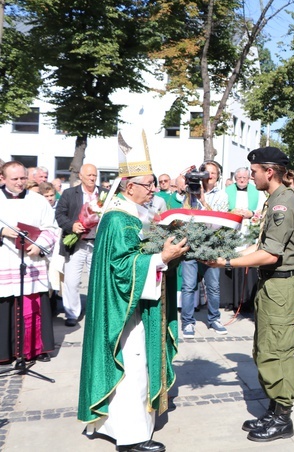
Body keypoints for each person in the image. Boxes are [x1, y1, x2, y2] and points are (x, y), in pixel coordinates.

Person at [78, 152, 188, 452]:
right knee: (133, 367)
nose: (153, 190)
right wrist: (163, 257)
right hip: (123, 309)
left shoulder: (131, 214)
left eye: (154, 184)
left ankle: (110, 424)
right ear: (129, 187)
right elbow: (121, 268)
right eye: (148, 184)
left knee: (135, 367)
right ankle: (131, 437)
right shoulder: (120, 219)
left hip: (130, 302)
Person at [206, 147, 294, 442]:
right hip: (272, 286)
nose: (252, 177)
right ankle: (275, 410)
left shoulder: (282, 205)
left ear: (269, 172)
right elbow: (259, 246)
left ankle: (283, 419)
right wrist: (228, 254)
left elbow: (270, 254)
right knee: (264, 351)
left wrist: (226, 262)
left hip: (282, 286)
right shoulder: (274, 200)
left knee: (276, 353)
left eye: (255, 172)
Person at [0, 161, 58, 364]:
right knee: (5, 306)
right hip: (4, 261)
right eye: (14, 179)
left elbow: (51, 227)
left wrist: (40, 244)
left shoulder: (38, 200)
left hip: (31, 261)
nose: (19, 182)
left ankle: (35, 349)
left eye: (23, 178)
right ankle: (5, 353)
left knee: (32, 307)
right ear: (3, 178)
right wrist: (2, 231)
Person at [180, 160, 229, 338]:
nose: (208, 177)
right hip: (191, 244)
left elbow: (218, 223)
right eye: (205, 173)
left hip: (211, 244)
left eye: (212, 174)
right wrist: (186, 190)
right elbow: (183, 214)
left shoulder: (222, 195)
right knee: (188, 286)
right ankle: (187, 322)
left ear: (217, 177)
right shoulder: (191, 191)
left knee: (213, 286)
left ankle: (214, 319)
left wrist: (203, 201)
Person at [56, 163, 101, 327]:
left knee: (96, 280)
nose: (92, 178)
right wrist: (72, 226)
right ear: (81, 176)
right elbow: (59, 215)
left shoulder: (103, 194)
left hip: (97, 243)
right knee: (72, 281)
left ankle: (95, 312)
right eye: (89, 175)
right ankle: (72, 314)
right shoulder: (69, 194)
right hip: (76, 244)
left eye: (94, 175)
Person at [224, 167, 266, 312]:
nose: (242, 180)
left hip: (249, 231)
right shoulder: (227, 191)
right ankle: (232, 301)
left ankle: (247, 300)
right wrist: (232, 212)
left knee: (248, 263)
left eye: (245, 177)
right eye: (239, 177)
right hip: (233, 231)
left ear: (249, 178)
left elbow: (263, 210)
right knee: (233, 263)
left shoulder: (258, 192)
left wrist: (251, 213)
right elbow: (221, 208)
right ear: (235, 178)